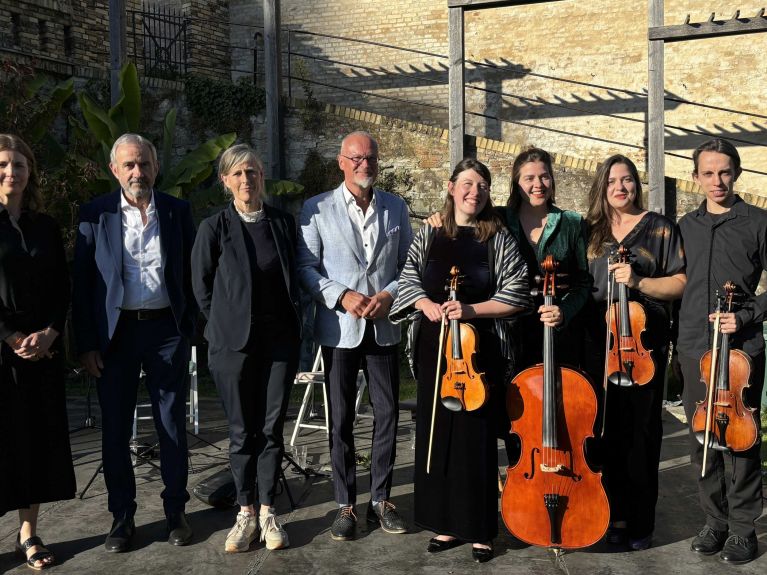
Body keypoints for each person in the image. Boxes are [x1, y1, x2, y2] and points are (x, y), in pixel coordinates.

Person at [390, 158, 530, 563]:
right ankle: (446, 524)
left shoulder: (497, 236)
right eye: (467, 184)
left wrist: (470, 311)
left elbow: (516, 291)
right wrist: (424, 303)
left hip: (478, 351)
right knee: (439, 436)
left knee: (476, 438)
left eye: (483, 185)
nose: (475, 191)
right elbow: (408, 277)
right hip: (435, 346)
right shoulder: (431, 231)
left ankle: (481, 528)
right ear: (451, 188)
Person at [72, 133, 198, 552]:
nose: (137, 172)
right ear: (115, 170)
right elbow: (83, 285)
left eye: (143, 163)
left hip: (166, 331)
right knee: (114, 430)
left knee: (171, 426)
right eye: (129, 165)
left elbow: (192, 277)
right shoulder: (95, 214)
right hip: (116, 335)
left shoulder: (178, 212)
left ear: (155, 167)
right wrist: (87, 344)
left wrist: (190, 330)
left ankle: (175, 511)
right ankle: (121, 517)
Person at [297, 131, 413, 541]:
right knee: (341, 419)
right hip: (339, 330)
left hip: (383, 326)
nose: (366, 164)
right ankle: (345, 504)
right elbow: (306, 269)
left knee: (388, 415)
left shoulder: (395, 208)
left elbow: (407, 267)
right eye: (357, 157)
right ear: (341, 162)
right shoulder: (316, 209)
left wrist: (389, 295)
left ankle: (381, 499)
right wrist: (341, 295)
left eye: (372, 158)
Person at [191, 144, 301, 553]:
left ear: (262, 176)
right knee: (241, 432)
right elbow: (200, 289)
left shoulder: (283, 223)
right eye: (237, 174)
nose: (246, 180)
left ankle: (269, 511)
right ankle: (245, 512)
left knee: (271, 430)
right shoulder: (214, 227)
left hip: (278, 343)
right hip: (232, 345)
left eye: (252, 172)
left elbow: (294, 276)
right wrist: (222, 327)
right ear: (225, 181)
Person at [582, 154, 686, 550]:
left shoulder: (660, 228)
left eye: (626, 180)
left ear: (636, 184)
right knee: (601, 431)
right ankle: (605, 517)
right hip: (598, 345)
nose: (620, 188)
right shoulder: (590, 229)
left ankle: (639, 522)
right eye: (612, 182)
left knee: (641, 434)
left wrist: (639, 280)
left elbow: (679, 281)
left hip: (643, 346)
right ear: (601, 187)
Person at [677, 138, 766, 565]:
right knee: (702, 439)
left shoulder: (759, 222)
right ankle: (715, 521)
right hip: (695, 344)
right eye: (708, 173)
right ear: (696, 177)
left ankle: (745, 529)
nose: (717, 181)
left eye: (725, 172)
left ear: (737, 173)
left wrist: (746, 317)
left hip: (742, 350)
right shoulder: (685, 225)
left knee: (742, 438)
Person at [0, 134, 76, 570]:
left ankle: (28, 533)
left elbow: (60, 288)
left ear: (31, 172)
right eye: (4, 165)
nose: (12, 172)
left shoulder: (45, 226)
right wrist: (10, 336)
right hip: (1, 349)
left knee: (34, 442)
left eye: (20, 165)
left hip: (41, 353)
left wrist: (49, 332)